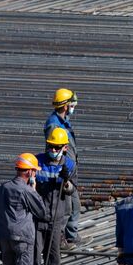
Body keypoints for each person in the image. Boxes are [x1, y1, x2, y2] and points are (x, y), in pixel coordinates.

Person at [33, 126, 77, 265]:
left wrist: (66, 182)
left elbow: (72, 190)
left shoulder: (69, 165)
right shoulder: (37, 161)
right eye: (50, 146)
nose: (52, 150)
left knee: (53, 257)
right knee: (35, 257)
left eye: (56, 148)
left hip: (57, 218)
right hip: (38, 218)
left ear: (65, 148)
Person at [46, 88, 81, 245]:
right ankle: (61, 238)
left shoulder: (63, 121)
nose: (73, 107)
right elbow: (55, 149)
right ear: (66, 105)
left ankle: (69, 235)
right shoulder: (54, 125)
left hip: (69, 168)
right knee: (66, 205)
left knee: (73, 203)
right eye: (71, 104)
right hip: (62, 169)